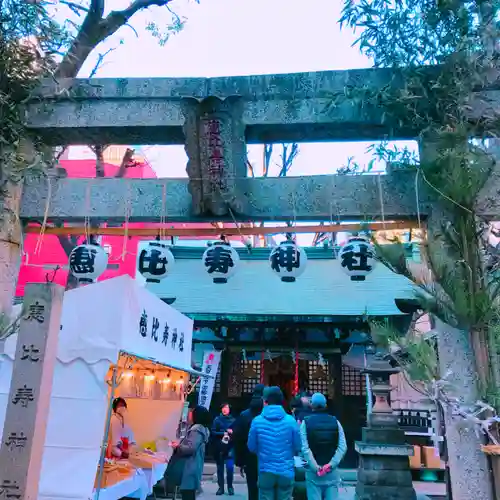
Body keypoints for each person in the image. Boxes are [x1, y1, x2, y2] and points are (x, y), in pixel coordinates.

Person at [247, 386, 301, 500]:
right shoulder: (291, 421)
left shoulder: (257, 421)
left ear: (265, 401)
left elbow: (251, 447)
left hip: (265, 469)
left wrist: (261, 451)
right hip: (286, 470)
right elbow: (298, 445)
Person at [300, 393, 347, 500]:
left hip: (313, 473)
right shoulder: (336, 422)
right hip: (331, 472)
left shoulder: (305, 423)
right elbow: (342, 447)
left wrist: (315, 467)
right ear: (325, 405)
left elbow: (305, 448)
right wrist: (331, 465)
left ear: (312, 405)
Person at [171, 405, 211, 500]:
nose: (189, 414)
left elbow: (190, 448)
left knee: (187, 493)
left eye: (191, 412)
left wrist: (177, 447)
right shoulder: (202, 429)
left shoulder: (196, 430)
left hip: (190, 466)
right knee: (189, 493)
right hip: (194, 464)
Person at [233, 384, 265, 500]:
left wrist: (240, 461)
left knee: (252, 489)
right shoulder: (268, 415)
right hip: (267, 458)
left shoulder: (244, 415)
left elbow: (239, 440)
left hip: (249, 457)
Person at [212, 403, 236, 495]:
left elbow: (237, 432)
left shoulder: (233, 420)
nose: (224, 409)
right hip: (219, 446)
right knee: (220, 469)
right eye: (223, 408)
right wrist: (223, 433)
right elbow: (213, 432)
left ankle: (230, 487)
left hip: (230, 447)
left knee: (230, 468)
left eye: (226, 407)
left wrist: (231, 433)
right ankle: (221, 488)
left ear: (229, 409)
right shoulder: (217, 420)